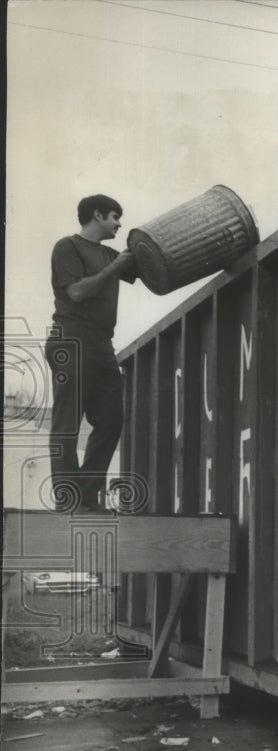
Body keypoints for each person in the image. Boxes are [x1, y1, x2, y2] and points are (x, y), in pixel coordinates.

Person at [45, 194, 138, 512]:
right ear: (97, 215)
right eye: (115, 216)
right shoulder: (67, 247)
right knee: (67, 423)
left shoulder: (112, 253)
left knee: (112, 419)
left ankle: (82, 494)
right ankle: (69, 499)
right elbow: (77, 291)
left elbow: (153, 268)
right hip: (70, 339)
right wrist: (117, 265)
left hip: (101, 343)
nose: (119, 223)